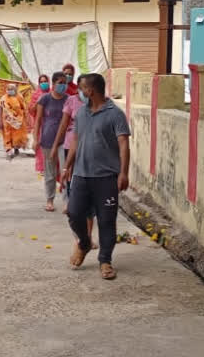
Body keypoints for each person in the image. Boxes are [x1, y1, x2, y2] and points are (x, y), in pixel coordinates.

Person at [62, 73, 131, 281]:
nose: (79, 92)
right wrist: (67, 167)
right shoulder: (81, 113)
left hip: (107, 177)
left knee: (107, 220)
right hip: (81, 175)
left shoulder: (115, 114)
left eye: (82, 88)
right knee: (74, 213)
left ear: (90, 91)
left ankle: (105, 261)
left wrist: (124, 172)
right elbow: (75, 140)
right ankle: (84, 243)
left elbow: (123, 145)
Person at [51, 75, 96, 249]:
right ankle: (79, 237)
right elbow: (63, 125)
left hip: (91, 151)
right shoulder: (70, 101)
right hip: (71, 147)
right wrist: (56, 146)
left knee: (90, 197)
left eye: (88, 87)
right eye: (83, 87)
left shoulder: (98, 103)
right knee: (74, 192)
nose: (86, 91)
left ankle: (88, 236)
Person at [34, 71, 68, 212]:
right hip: (47, 139)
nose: (63, 85)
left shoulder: (69, 99)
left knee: (66, 171)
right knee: (50, 172)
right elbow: (38, 120)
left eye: (65, 83)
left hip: (65, 140)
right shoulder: (45, 99)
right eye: (60, 83)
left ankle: (67, 201)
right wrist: (36, 139)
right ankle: (50, 200)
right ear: (53, 84)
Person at [28, 75, 50, 177]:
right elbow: (31, 110)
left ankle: (50, 167)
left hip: (50, 123)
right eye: (41, 82)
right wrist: (38, 102)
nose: (43, 83)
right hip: (39, 124)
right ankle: (42, 168)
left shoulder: (52, 93)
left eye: (45, 81)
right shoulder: (35, 95)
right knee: (40, 146)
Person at [0, 83, 28, 160]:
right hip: (7, 120)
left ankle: (16, 148)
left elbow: (23, 107)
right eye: (8, 89)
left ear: (15, 89)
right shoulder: (3, 98)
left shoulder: (19, 97)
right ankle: (8, 150)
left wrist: (22, 115)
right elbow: (3, 109)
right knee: (7, 135)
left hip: (18, 120)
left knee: (17, 135)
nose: (10, 91)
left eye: (12, 89)